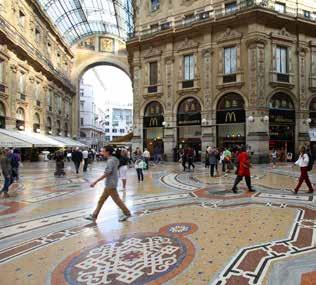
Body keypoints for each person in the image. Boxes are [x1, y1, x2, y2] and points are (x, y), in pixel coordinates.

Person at [85, 146, 131, 222]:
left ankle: (127, 213)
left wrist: (95, 181)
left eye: (103, 151)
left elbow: (108, 172)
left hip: (110, 184)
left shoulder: (110, 161)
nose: (101, 153)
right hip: (111, 183)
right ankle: (94, 215)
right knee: (101, 200)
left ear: (107, 152)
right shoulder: (115, 159)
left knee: (117, 200)